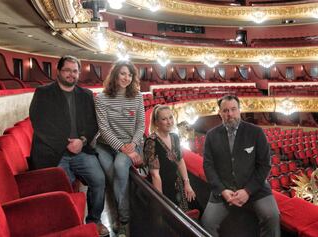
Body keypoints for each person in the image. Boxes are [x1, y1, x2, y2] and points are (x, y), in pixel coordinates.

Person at [29, 55, 108, 236]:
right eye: (67, 70)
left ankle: (94, 220)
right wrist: (66, 144)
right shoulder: (43, 92)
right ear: (58, 71)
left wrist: (82, 141)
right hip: (54, 152)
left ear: (79, 73)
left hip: (81, 149)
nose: (71, 74)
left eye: (75, 71)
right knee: (61, 188)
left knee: (99, 180)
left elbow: (93, 124)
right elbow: (39, 123)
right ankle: (68, 226)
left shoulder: (86, 94)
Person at [201, 95, 281, 237]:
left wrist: (248, 190)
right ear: (220, 113)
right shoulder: (211, 135)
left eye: (233, 109)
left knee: (272, 216)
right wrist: (222, 190)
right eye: (225, 110)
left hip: (255, 188)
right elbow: (208, 166)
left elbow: (264, 165)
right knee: (207, 222)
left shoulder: (256, 132)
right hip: (224, 190)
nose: (230, 114)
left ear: (239, 110)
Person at [94, 60, 145, 237]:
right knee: (112, 176)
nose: (126, 78)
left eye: (130, 75)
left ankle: (123, 220)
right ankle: (120, 215)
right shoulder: (101, 98)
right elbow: (104, 129)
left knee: (119, 168)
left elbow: (141, 126)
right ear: (115, 75)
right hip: (106, 146)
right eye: (123, 73)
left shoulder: (138, 97)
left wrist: (132, 145)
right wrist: (121, 147)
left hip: (131, 143)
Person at [144, 104, 196, 210]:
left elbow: (180, 160)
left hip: (177, 181)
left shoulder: (174, 137)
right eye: (164, 119)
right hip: (161, 185)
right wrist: (161, 200)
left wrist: (187, 183)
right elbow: (155, 175)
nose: (169, 122)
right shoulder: (151, 141)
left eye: (171, 117)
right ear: (156, 122)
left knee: (195, 206)